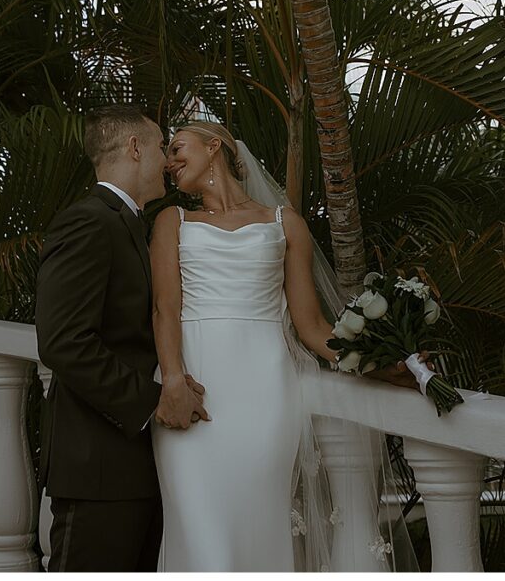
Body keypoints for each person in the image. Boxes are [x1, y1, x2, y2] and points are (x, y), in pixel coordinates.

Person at [149, 121, 428, 572]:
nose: (169, 163)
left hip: (266, 397)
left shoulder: (284, 223)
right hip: (192, 390)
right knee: (199, 534)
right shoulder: (172, 221)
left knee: (259, 529)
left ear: (213, 145)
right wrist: (174, 380)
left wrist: (378, 365)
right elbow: (164, 310)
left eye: (177, 148)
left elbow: (313, 328)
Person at [34, 105, 208, 572]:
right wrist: (155, 401)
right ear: (134, 149)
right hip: (98, 471)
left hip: (134, 468)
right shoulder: (90, 221)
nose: (167, 162)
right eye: (158, 147)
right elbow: (63, 341)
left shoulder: (129, 223)